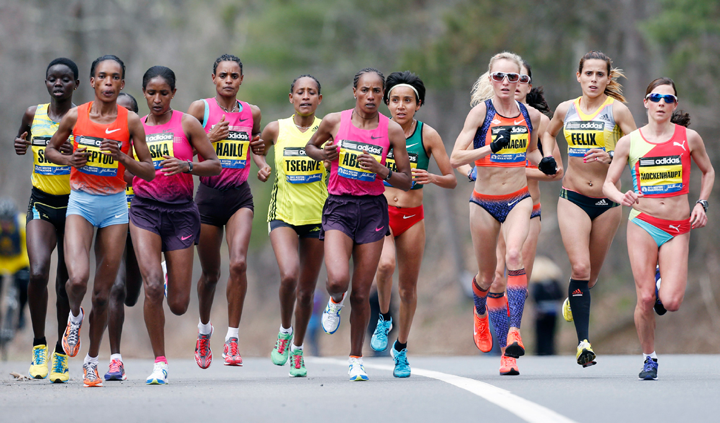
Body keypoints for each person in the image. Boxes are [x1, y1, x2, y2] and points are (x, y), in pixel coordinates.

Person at [45, 55, 155, 387]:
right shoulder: (75, 115)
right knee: (78, 280)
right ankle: (74, 317)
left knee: (103, 294)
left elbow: (148, 170)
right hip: (81, 202)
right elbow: (50, 149)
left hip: (114, 207)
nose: (109, 82)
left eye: (115, 77)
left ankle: (92, 361)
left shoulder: (131, 121)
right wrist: (69, 160)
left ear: (122, 84)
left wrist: (122, 157)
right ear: (92, 82)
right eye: (103, 76)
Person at [450, 52, 557, 373]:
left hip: (519, 199)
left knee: (514, 257)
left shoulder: (531, 116)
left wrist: (544, 162)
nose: (507, 82)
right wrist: (489, 149)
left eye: (513, 77)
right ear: (490, 79)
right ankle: (480, 310)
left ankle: (513, 335)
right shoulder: (480, 113)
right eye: (499, 76)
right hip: (484, 201)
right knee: (487, 277)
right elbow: (456, 157)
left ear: (522, 81)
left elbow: (533, 152)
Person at [603, 77, 714, 380]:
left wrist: (702, 204)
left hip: (678, 226)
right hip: (643, 222)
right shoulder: (630, 142)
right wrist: (621, 197)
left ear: (675, 104)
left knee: (672, 302)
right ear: (646, 103)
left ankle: (659, 277)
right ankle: (649, 358)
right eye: (655, 98)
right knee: (646, 299)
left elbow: (708, 171)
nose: (661, 103)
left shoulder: (689, 138)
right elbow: (608, 183)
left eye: (668, 99)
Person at [306, 68, 412, 381]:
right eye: (365, 90)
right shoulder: (334, 121)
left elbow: (406, 180)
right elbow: (310, 148)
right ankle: (334, 301)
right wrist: (323, 154)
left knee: (362, 293)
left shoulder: (392, 130)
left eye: (377, 91)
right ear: (355, 92)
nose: (370, 96)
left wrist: (382, 170)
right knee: (338, 280)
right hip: (339, 207)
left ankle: (355, 358)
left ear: (382, 95)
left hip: (372, 210)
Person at [543, 50, 636, 367]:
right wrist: (550, 158)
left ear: (608, 79)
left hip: (608, 201)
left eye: (600, 74)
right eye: (589, 73)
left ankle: (575, 296)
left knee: (590, 277)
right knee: (580, 268)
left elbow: (639, 150)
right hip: (573, 197)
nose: (594, 79)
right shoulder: (565, 109)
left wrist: (612, 157)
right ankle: (583, 343)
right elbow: (548, 132)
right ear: (579, 76)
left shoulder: (617, 111)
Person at [131, 66, 221, 384]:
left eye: (164, 93)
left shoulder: (187, 124)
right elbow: (125, 170)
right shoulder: (135, 126)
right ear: (144, 93)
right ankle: (160, 362)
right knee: (152, 286)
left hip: (181, 212)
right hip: (144, 210)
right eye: (151, 93)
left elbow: (214, 165)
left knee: (179, 305)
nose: (157, 99)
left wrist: (187, 165)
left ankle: (169, 277)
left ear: (173, 93)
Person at [369, 71, 457, 378]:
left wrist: (432, 177)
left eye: (407, 100)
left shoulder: (428, 135)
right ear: (387, 103)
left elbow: (452, 179)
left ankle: (401, 348)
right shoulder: (377, 131)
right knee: (384, 266)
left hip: (412, 217)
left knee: (407, 289)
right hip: (381, 212)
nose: (401, 106)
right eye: (395, 100)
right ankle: (383, 317)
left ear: (418, 104)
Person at [187, 54, 268, 369]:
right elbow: (183, 150)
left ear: (241, 80)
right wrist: (209, 138)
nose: (229, 80)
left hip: (238, 197)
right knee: (210, 275)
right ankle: (204, 330)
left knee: (238, 264)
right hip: (207, 197)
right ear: (214, 78)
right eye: (223, 75)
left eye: (234, 75)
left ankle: (232, 338)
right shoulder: (200, 110)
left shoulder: (251, 112)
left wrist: (261, 163)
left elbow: (255, 143)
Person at [13, 58, 78, 382]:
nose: (58, 84)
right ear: (46, 82)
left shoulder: (82, 118)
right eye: (53, 78)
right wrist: (20, 144)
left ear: (76, 84)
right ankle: (39, 345)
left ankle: (61, 352)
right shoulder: (32, 114)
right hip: (41, 200)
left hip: (75, 204)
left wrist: (73, 155)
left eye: (65, 79)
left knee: (66, 282)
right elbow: (21, 141)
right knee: (38, 272)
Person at [260, 75, 326, 377]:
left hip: (317, 216)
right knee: (289, 275)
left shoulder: (328, 129)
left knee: (307, 292)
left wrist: (331, 164)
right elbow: (257, 147)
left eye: (312, 92)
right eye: (300, 92)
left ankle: (297, 350)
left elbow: (339, 161)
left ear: (319, 99)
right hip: (283, 213)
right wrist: (263, 165)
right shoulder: (276, 128)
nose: (306, 97)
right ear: (291, 98)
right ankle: (285, 330)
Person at [104, 92, 143, 382]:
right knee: (115, 289)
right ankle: (115, 359)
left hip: (142, 223)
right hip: (113, 221)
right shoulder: (101, 142)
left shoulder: (145, 143)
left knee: (130, 295)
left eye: (127, 112)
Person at [0, 198, 30, 352]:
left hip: (19, 261)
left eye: (8, 221)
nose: (5, 224)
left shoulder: (22, 224)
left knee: (25, 286)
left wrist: (27, 268)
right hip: (1, 261)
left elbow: (28, 247)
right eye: (2, 221)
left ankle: (21, 314)